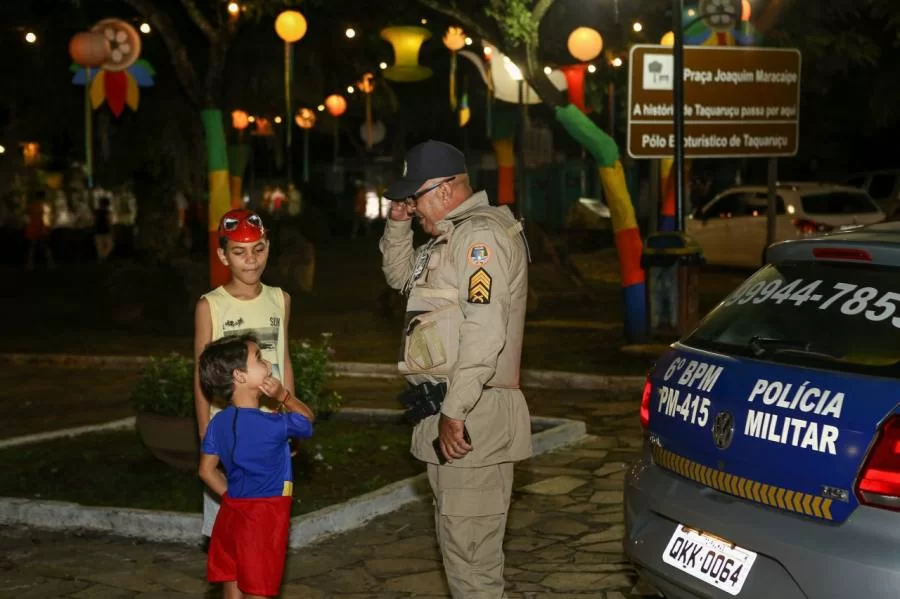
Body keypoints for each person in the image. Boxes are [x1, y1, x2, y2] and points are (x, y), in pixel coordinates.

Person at [380, 140, 532, 598]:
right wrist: (397, 226)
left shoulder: (478, 239)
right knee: (461, 553)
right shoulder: (448, 237)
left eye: (415, 196)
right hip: (453, 416)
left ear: (445, 190)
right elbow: (399, 277)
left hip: (471, 419)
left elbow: (486, 332)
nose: (411, 205)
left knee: (472, 564)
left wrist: (455, 410)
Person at [194, 208, 296, 539]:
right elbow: (201, 372)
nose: (250, 260)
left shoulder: (281, 299)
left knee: (264, 528)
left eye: (258, 249)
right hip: (229, 433)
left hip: (269, 431)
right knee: (228, 530)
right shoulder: (210, 305)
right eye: (239, 252)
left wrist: (288, 415)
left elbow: (284, 358)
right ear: (223, 255)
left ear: (268, 247)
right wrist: (205, 432)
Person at [198, 334, 315, 599]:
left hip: (231, 514)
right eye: (259, 359)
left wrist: (231, 497)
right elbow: (307, 420)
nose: (267, 363)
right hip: (266, 515)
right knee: (259, 587)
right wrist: (284, 395)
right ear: (240, 376)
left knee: (234, 578)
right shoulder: (273, 424)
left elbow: (206, 470)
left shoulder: (218, 423)